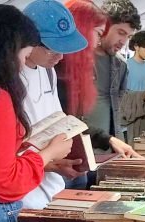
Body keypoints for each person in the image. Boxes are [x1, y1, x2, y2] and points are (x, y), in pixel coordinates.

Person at [0, 5, 72, 222]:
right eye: (24, 57)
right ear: (6, 51)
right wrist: (48, 154)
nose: (23, 66)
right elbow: (3, 183)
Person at [21, 0, 88, 209]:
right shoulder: (5, 78)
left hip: (51, 190)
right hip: (22, 196)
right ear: (28, 41)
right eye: (52, 49)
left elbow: (57, 119)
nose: (60, 57)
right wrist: (47, 161)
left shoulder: (48, 71)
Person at [85, 0, 141, 141]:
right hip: (81, 148)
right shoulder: (78, 60)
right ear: (104, 25)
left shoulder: (121, 64)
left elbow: (119, 107)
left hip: (113, 147)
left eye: (128, 36)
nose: (123, 41)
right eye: (120, 33)